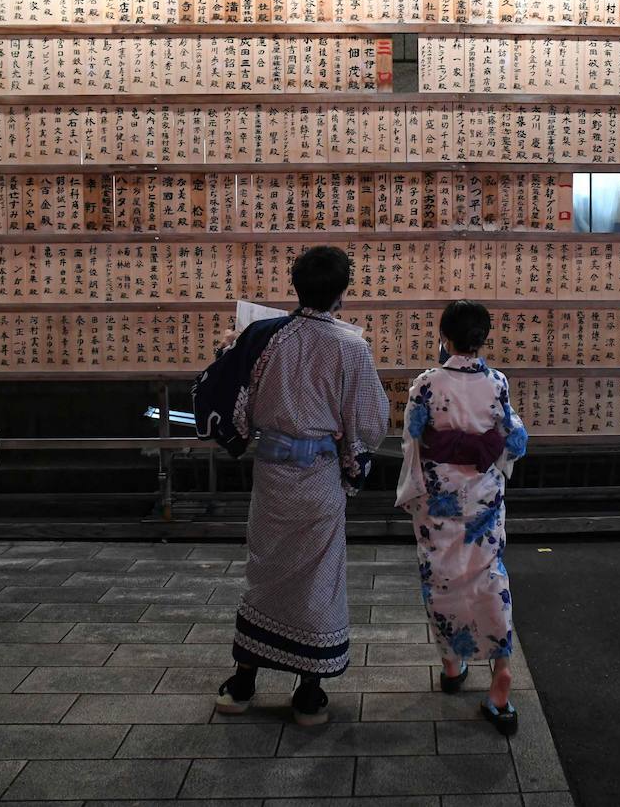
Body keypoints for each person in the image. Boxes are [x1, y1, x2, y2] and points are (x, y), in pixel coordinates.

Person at [193, 246, 389, 727]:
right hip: (320, 478)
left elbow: (229, 394)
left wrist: (229, 350)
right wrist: (351, 459)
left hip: (272, 475)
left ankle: (243, 680)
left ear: (296, 284)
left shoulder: (263, 336)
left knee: (264, 572)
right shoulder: (351, 348)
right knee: (318, 580)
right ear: (342, 292)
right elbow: (369, 423)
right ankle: (309, 689)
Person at [396, 300, 529, 737]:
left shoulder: (427, 383)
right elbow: (514, 438)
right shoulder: (497, 382)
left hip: (440, 501)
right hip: (483, 498)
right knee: (488, 574)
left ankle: (453, 665)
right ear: (483, 339)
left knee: (443, 576)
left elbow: (413, 440)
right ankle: (502, 673)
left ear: (444, 336)